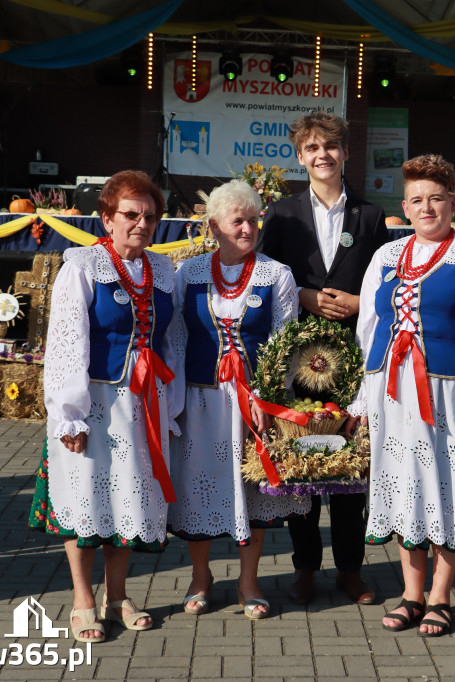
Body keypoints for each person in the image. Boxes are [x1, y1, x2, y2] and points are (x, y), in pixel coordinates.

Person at [349, 154, 455, 636]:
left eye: (437, 199)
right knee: (404, 487)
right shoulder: (386, 256)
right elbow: (369, 328)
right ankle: (410, 594)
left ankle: (441, 597)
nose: (427, 208)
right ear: (405, 206)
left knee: (450, 489)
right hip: (394, 392)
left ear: (453, 203)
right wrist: (365, 394)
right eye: (418, 200)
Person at [28, 170, 183, 643]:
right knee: (85, 495)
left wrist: (171, 407)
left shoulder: (164, 270)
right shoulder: (82, 265)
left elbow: (171, 341)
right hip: (95, 400)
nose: (141, 224)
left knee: (128, 498)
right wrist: (67, 412)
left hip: (143, 404)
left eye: (150, 217)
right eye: (130, 215)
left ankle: (117, 597)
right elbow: (66, 341)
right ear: (107, 218)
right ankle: (81, 601)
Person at [257, 112, 389, 606]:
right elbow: (266, 274)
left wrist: (359, 304)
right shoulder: (282, 213)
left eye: (330, 147)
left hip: (353, 357)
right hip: (300, 360)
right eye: (312, 148)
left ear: (345, 152)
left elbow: (387, 286)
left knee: (351, 464)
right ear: (299, 156)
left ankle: (351, 570)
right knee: (303, 460)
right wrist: (306, 295)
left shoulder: (372, 217)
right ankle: (305, 567)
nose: (322, 156)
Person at [167, 179, 310, 620]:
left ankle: (250, 582)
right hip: (200, 399)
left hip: (252, 404)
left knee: (253, 492)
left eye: (253, 220)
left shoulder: (276, 274)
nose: (247, 228)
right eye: (238, 222)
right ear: (214, 227)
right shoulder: (187, 273)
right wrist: (173, 402)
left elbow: (286, 345)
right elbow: (175, 339)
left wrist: (269, 400)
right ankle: (200, 576)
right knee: (196, 489)